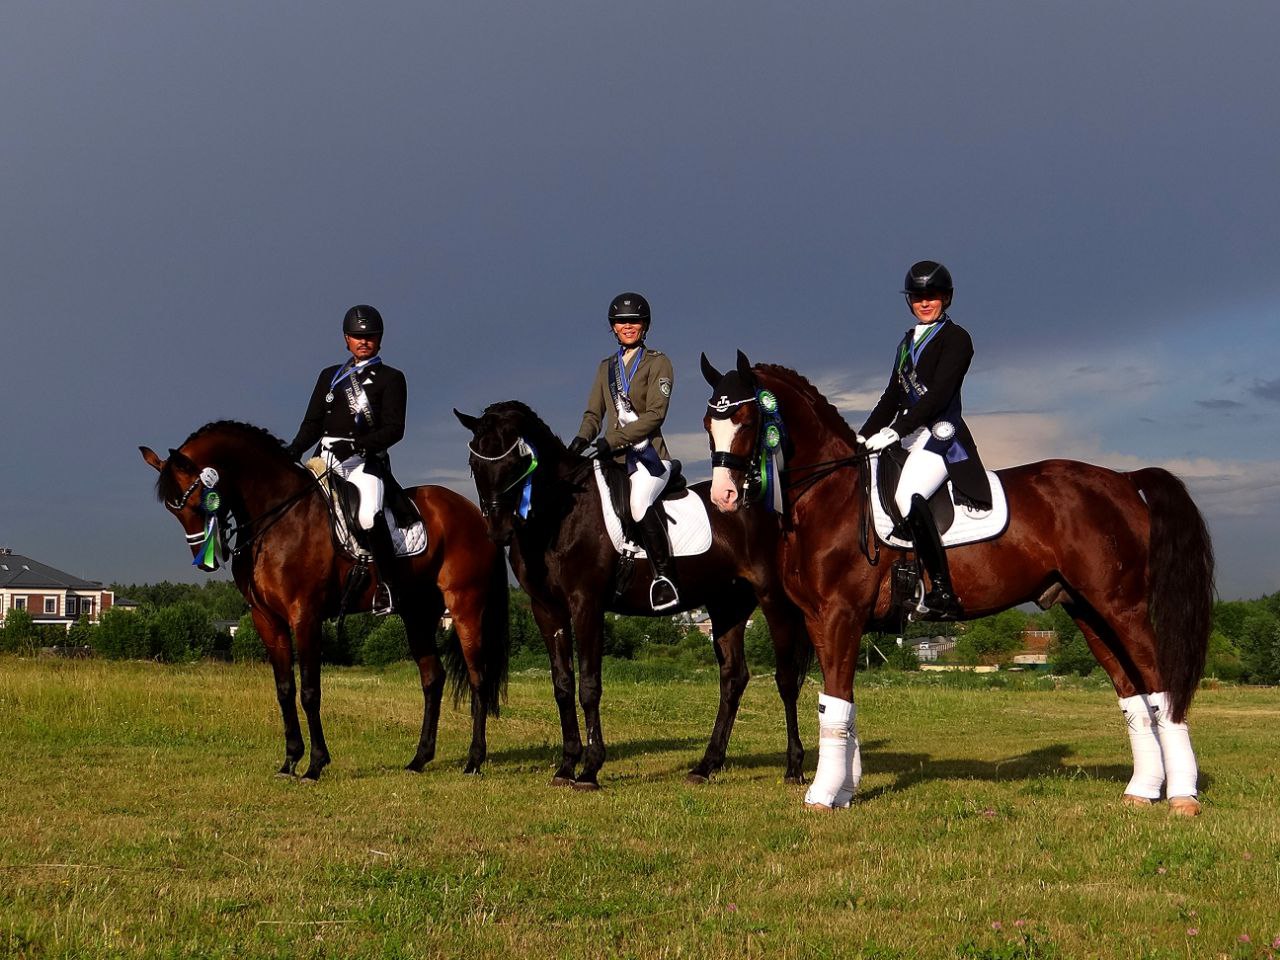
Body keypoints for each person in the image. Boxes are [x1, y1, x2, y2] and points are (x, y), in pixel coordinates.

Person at [859, 261, 992, 620]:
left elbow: (939, 395)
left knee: (907, 496)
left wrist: (897, 430)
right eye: (918, 297)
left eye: (932, 296)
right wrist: (862, 436)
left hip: (940, 435)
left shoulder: (957, 338)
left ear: (946, 298)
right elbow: (891, 397)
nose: (925, 303)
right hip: (907, 435)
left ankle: (943, 593)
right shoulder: (906, 343)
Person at [285, 305, 407, 615]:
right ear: (346, 339)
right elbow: (312, 423)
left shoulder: (392, 378)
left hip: (364, 462)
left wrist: (359, 445)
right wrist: (294, 449)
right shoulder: (330, 376)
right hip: (323, 459)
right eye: (357, 336)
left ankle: (388, 587)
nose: (363, 341)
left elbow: (395, 429)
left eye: (370, 336)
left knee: (368, 515)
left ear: (379, 339)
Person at [568, 292, 680, 611]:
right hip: (612, 460)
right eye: (621, 322)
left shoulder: (658, 363)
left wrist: (614, 439)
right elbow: (594, 414)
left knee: (639, 502)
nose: (628, 326)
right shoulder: (605, 368)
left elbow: (655, 415)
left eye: (634, 321)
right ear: (613, 327)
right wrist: (580, 440)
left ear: (645, 325)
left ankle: (664, 578)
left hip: (649, 458)